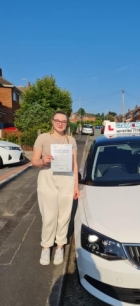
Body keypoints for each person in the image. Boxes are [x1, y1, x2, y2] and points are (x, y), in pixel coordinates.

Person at [31, 111, 79, 266]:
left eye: (64, 121)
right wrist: (43, 161)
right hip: (48, 179)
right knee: (49, 216)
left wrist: (76, 186)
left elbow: (74, 164)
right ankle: (46, 247)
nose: (60, 123)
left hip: (66, 180)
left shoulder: (70, 140)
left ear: (67, 123)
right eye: (57, 120)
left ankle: (59, 246)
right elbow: (34, 161)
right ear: (52, 121)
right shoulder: (43, 138)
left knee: (64, 216)